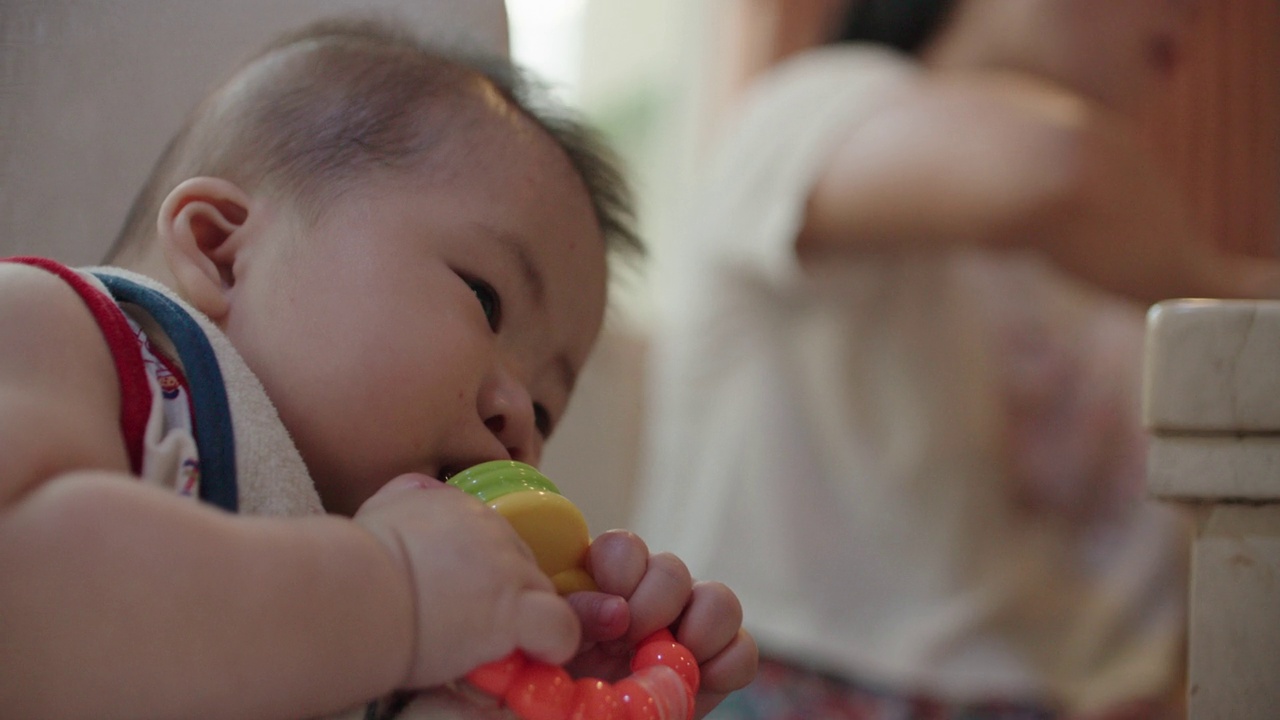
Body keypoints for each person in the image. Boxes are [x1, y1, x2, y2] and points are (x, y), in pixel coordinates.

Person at [0, 17, 757, 720]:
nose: (522, 420)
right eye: (485, 300)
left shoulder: (399, 633)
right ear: (222, 249)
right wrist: (396, 592)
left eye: (550, 408)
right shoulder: (61, 330)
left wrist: (554, 684)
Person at [633, 0, 1280, 717]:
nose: (1191, 12)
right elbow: (1055, 164)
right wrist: (1234, 301)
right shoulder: (811, 104)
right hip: (786, 676)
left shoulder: (1110, 245)